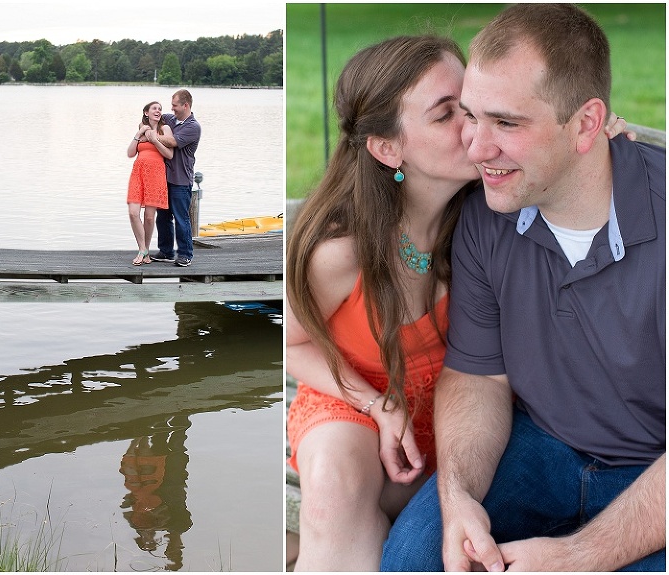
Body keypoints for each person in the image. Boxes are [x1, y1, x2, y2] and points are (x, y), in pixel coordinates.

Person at [285, 33, 632, 571]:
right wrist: (377, 405)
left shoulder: (492, 211)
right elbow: (288, 343)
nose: (478, 130)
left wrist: (593, 152)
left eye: (474, 105)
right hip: (360, 405)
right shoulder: (339, 250)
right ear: (388, 148)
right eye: (449, 114)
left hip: (471, 424)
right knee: (334, 482)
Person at [381, 4, 665, 572]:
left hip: (655, 473)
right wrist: (458, 494)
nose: (477, 148)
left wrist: (579, 555)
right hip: (541, 445)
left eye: (507, 124)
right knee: (413, 559)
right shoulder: (488, 214)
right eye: (470, 116)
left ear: (587, 123)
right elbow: (479, 374)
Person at [150, 89, 201, 267]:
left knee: (181, 218)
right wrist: (147, 121)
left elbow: (172, 142)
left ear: (185, 105)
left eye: (175, 105)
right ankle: (166, 251)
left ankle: (186, 254)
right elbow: (152, 118)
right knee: (162, 217)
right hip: (163, 178)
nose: (172, 109)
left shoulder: (193, 126)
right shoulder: (170, 119)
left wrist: (154, 136)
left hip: (181, 180)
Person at [126, 101, 174, 266]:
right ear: (146, 112)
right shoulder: (142, 129)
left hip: (155, 175)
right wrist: (139, 133)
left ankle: (144, 251)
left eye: (160, 109)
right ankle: (143, 249)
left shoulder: (165, 129)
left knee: (149, 216)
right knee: (133, 213)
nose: (158, 111)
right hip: (138, 173)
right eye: (154, 108)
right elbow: (130, 153)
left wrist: (155, 140)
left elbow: (169, 154)